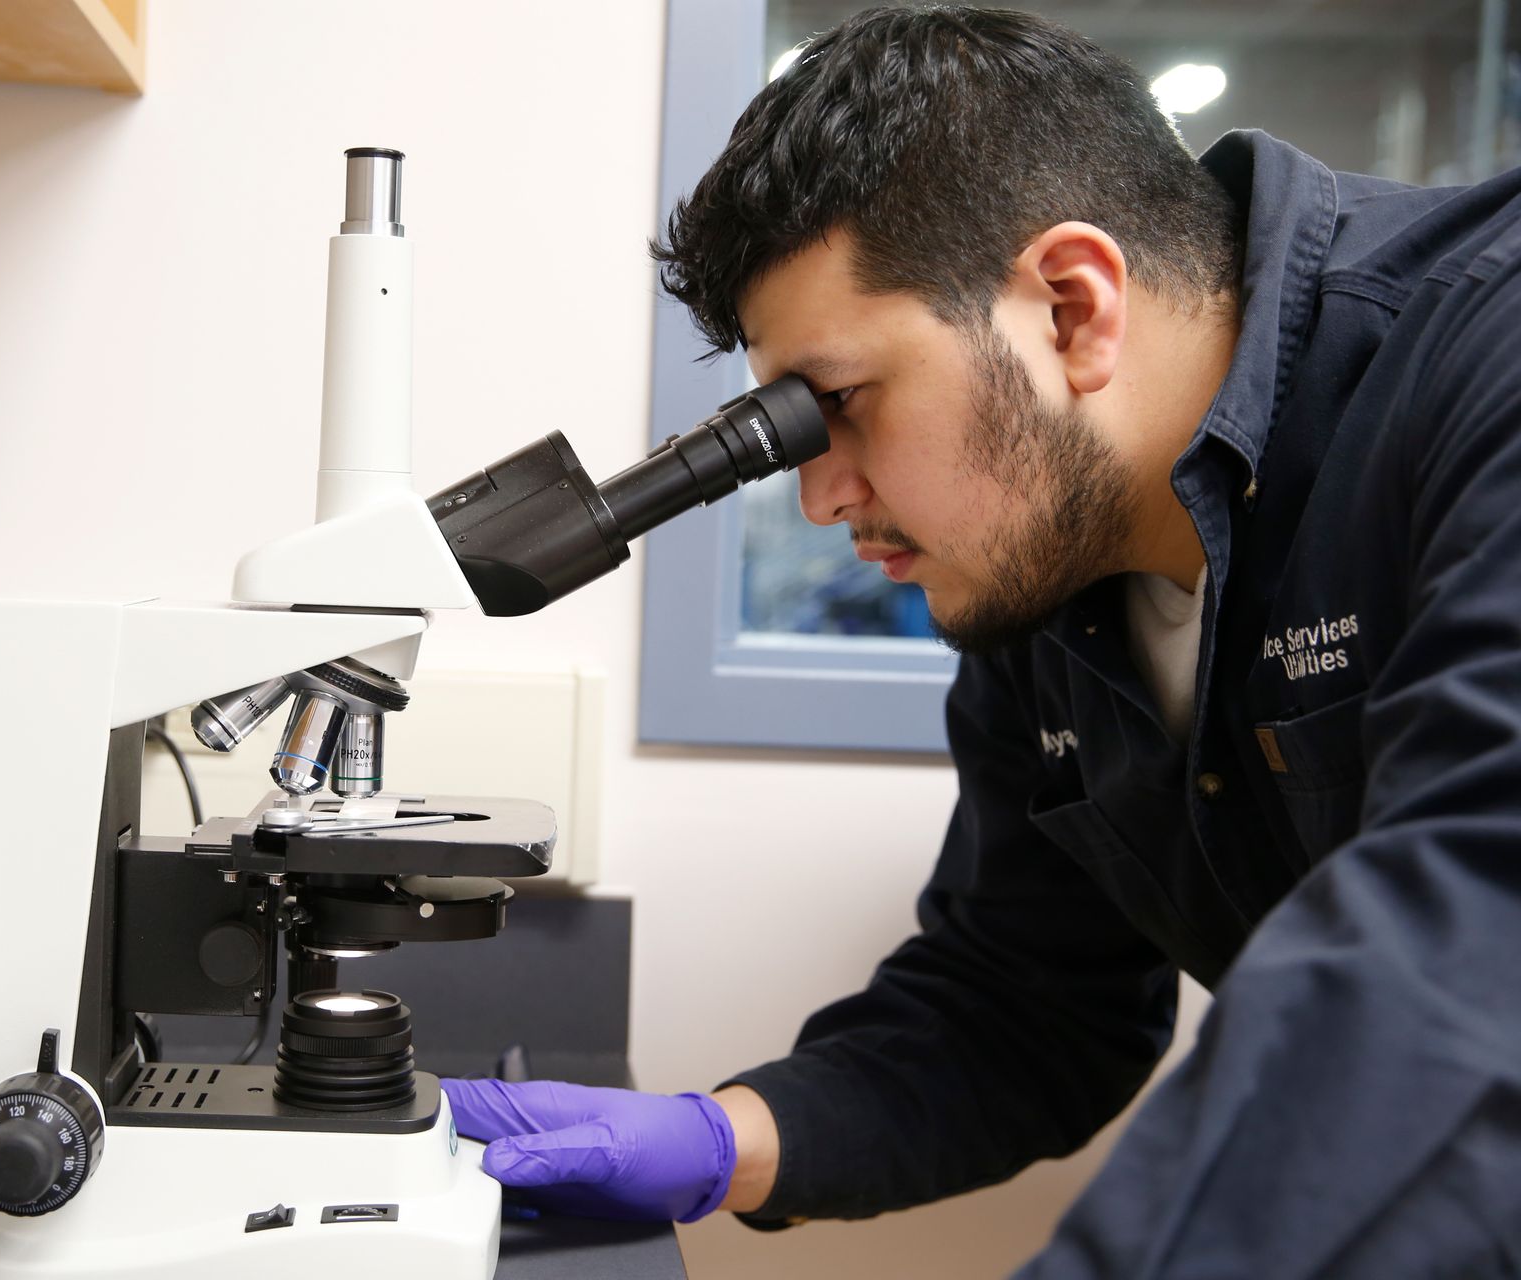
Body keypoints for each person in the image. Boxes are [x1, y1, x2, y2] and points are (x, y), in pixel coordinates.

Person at [441, 4, 1521, 1274]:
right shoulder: (1046, 569)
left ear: (1070, 308)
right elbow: (1028, 1004)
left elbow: (1471, 940)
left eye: (837, 404)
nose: (822, 494)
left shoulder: (1480, 355)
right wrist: (717, 1140)